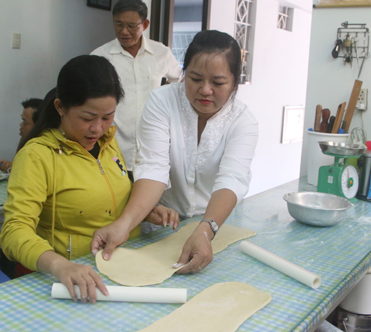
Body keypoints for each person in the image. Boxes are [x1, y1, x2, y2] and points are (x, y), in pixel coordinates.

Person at [0, 55, 178, 303]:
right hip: (72, 278)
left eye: (107, 117)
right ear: (60, 107)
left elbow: (109, 195)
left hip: (124, 268)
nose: (98, 128)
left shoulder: (106, 142)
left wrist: (146, 212)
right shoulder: (38, 156)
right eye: (87, 118)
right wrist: (59, 265)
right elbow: (13, 231)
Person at [91, 30, 259, 275]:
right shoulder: (162, 102)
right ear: (183, 74)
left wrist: (205, 230)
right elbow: (153, 167)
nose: (205, 90)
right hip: (164, 225)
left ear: (234, 82)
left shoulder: (244, 121)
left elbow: (232, 179)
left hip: (217, 223)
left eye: (218, 82)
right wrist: (124, 224)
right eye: (195, 78)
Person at [91, 0, 182, 171]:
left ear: (145, 25)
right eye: (119, 24)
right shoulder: (100, 57)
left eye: (132, 26)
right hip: (113, 148)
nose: (124, 32)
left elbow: (178, 80)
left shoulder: (160, 53)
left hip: (152, 147)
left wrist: (164, 102)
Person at [0, 98, 43, 173]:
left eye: (25, 122)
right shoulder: (26, 142)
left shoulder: (36, 150)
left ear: (38, 126)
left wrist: (14, 168)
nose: (21, 125)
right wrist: (12, 167)